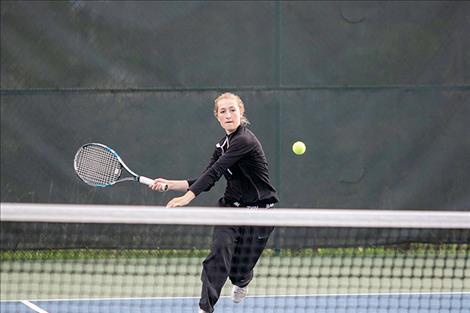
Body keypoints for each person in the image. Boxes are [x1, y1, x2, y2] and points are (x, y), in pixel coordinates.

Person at [150, 92, 279, 313]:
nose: (228, 115)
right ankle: (205, 308)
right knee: (219, 253)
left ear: (241, 112)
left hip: (260, 213)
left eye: (232, 110)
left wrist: (186, 198)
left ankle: (243, 280)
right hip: (229, 210)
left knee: (238, 272)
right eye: (223, 111)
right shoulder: (222, 145)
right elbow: (206, 177)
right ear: (217, 116)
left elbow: (216, 172)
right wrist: (170, 184)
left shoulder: (244, 141)